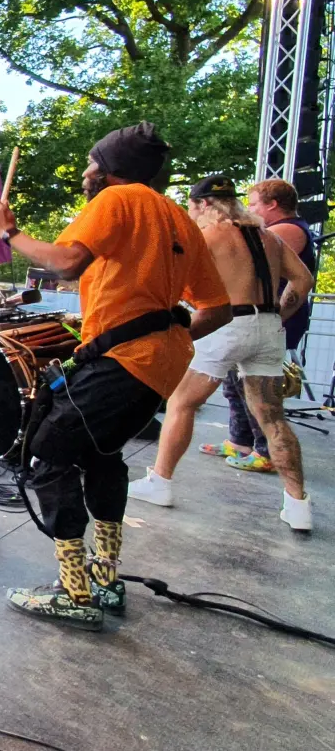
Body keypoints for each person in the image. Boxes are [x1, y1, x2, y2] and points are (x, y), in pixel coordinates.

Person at [0, 121, 232, 629]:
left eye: (91, 162)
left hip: (123, 362)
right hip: (158, 367)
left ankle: (76, 592)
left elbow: (67, 263)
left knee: (48, 452)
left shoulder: (118, 201)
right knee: (101, 457)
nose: (84, 172)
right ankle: (106, 577)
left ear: (110, 168)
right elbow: (220, 309)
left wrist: (10, 232)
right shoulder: (180, 220)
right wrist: (169, 337)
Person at [129, 176, 313, 531]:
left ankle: (161, 482)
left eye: (193, 207)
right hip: (268, 326)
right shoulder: (269, 237)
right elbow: (302, 280)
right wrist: (279, 313)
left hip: (227, 325)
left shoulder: (208, 236)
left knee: (182, 402)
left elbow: (171, 282)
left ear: (204, 205)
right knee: (273, 417)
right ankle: (297, 505)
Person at [204, 178, 321, 469]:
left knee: (255, 390)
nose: (249, 210)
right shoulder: (275, 231)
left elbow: (296, 277)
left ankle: (264, 449)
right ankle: (240, 440)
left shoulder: (282, 232)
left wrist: (277, 314)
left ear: (272, 205)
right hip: (258, 316)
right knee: (235, 383)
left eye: (254, 204)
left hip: (265, 316)